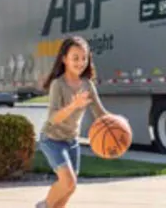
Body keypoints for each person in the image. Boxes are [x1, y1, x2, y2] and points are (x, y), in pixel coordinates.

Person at [36, 36, 108, 208]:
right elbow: (53, 118)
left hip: (71, 141)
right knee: (68, 182)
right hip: (52, 139)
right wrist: (73, 105)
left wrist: (118, 126)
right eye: (75, 58)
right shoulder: (58, 85)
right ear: (64, 59)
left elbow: (100, 113)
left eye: (84, 58)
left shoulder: (87, 85)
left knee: (70, 187)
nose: (80, 62)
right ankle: (43, 205)